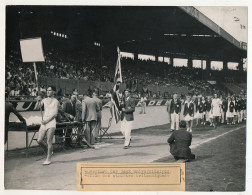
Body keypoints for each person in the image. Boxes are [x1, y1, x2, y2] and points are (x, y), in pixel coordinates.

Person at [37, 86, 59, 165]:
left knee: (49, 141)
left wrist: (47, 121)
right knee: (39, 140)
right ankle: (49, 151)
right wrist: (38, 100)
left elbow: (55, 114)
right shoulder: (44, 100)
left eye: (50, 90)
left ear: (54, 92)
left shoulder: (56, 101)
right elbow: (37, 107)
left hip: (51, 122)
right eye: (47, 90)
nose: (48, 92)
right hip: (44, 122)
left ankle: (48, 159)